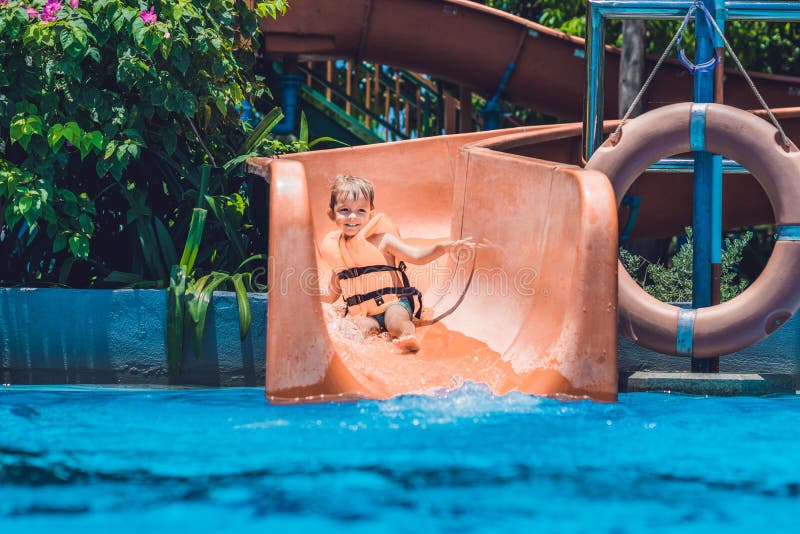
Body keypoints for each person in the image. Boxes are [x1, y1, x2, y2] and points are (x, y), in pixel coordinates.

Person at [319, 174, 474, 352]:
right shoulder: (337, 254)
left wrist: (442, 248)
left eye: (361, 210)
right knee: (356, 328)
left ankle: (407, 337)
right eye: (344, 210)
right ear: (332, 213)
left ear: (371, 213)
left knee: (395, 321)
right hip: (367, 314)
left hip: (395, 303)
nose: (352, 216)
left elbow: (417, 256)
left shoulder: (383, 240)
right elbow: (331, 295)